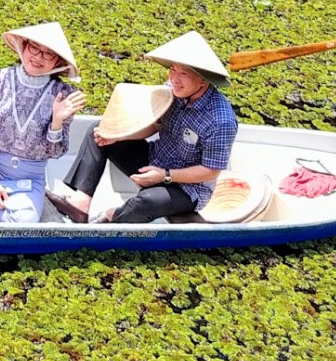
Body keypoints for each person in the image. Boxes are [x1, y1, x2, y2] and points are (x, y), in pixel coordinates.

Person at [46, 31, 238, 223]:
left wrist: (165, 176)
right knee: (101, 129)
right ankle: (81, 205)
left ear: (203, 79)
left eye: (183, 73)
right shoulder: (173, 90)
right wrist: (119, 136)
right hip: (155, 160)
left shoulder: (221, 120)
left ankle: (112, 216)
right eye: (172, 70)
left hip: (187, 187)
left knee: (147, 201)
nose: (174, 79)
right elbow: (154, 124)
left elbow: (210, 170)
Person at [0, 23, 87, 223]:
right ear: (23, 46)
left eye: (48, 54)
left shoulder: (63, 94)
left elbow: (56, 152)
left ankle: (37, 202)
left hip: (29, 177)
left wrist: (57, 121)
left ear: (57, 61)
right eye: (34, 48)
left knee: (17, 226)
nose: (38, 57)